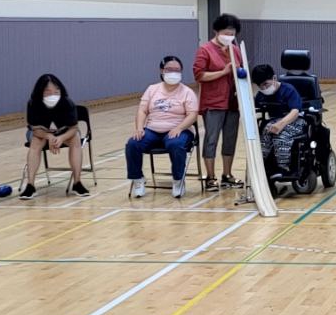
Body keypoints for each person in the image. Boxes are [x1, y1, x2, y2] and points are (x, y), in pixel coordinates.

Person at [126, 56, 200, 200]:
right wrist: (139, 128)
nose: (173, 72)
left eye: (177, 70)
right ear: (162, 71)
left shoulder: (187, 92)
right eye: (169, 69)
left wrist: (179, 128)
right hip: (152, 130)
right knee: (133, 144)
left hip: (179, 129)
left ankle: (178, 180)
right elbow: (142, 111)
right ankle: (138, 179)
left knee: (176, 144)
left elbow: (193, 114)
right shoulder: (152, 89)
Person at [193, 13, 245, 191]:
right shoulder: (205, 50)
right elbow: (199, 75)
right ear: (216, 31)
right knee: (211, 138)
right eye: (226, 33)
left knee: (230, 139)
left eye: (232, 33)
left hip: (232, 101)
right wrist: (223, 72)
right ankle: (210, 177)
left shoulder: (235, 50)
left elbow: (241, 72)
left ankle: (227, 175)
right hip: (213, 102)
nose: (229, 36)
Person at [21, 74, 88, 200]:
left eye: (56, 91)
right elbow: (35, 129)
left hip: (64, 133)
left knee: (75, 140)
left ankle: (77, 182)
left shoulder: (67, 103)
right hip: (41, 133)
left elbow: (74, 128)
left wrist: (61, 138)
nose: (53, 95)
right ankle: (30, 185)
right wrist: (49, 136)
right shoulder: (33, 104)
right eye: (48, 91)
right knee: (36, 142)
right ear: (40, 92)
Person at [251, 64, 307, 176]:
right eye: (260, 86)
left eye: (266, 84)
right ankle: (263, 167)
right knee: (265, 133)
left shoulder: (288, 90)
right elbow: (256, 107)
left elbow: (295, 111)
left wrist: (281, 124)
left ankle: (283, 167)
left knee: (280, 136)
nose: (264, 88)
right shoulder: (261, 95)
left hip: (295, 120)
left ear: (274, 78)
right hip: (274, 121)